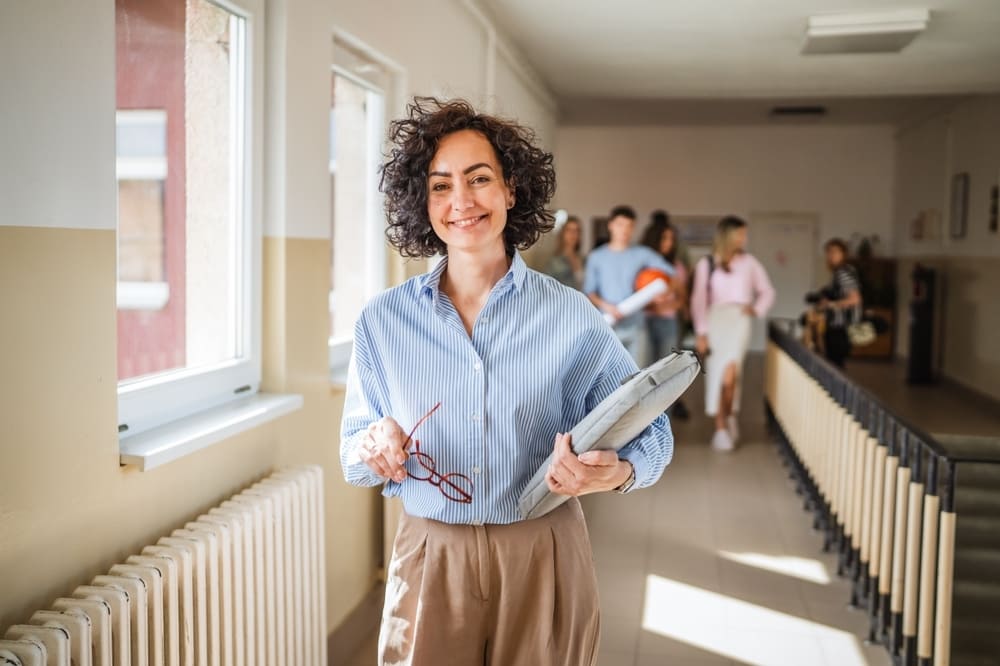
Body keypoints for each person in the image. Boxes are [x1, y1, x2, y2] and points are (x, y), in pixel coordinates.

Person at [340, 98, 674, 666]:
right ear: (423, 202)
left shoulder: (570, 315)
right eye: (441, 186)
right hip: (431, 553)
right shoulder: (382, 321)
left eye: (478, 179)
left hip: (543, 547)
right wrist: (374, 443)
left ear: (511, 189)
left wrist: (614, 473)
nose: (461, 202)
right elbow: (353, 452)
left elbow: (652, 430)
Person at [690, 216, 775, 451]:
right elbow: (698, 300)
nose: (744, 239)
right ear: (728, 235)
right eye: (740, 234)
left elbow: (767, 291)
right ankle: (721, 426)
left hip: (739, 322)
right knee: (717, 374)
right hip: (715, 320)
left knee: (731, 375)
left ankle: (728, 417)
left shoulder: (750, 263)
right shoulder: (707, 263)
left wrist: (756, 309)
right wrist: (701, 332)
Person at [584, 205, 675, 364]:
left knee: (636, 377)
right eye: (620, 225)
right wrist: (607, 307)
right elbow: (589, 292)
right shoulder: (596, 257)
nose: (624, 230)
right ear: (610, 225)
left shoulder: (642, 254)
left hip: (636, 327)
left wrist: (663, 293)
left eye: (629, 226)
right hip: (607, 325)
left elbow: (671, 274)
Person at [641, 216, 690, 419]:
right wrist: (651, 304)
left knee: (666, 373)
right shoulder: (642, 264)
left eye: (671, 239)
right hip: (644, 322)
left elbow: (682, 298)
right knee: (644, 372)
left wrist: (668, 305)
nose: (668, 244)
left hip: (668, 323)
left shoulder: (676, 267)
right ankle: (643, 420)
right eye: (664, 239)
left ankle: (663, 419)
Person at [816, 238, 862, 368]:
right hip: (839, 325)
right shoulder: (842, 271)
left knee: (835, 365)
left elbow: (854, 299)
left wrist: (830, 305)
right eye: (829, 252)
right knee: (835, 363)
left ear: (843, 254)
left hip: (841, 326)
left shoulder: (843, 272)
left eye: (836, 252)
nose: (831, 255)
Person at [544, 214, 585, 289]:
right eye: (569, 230)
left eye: (576, 230)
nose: (573, 234)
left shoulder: (584, 259)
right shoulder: (554, 262)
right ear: (562, 234)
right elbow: (548, 287)